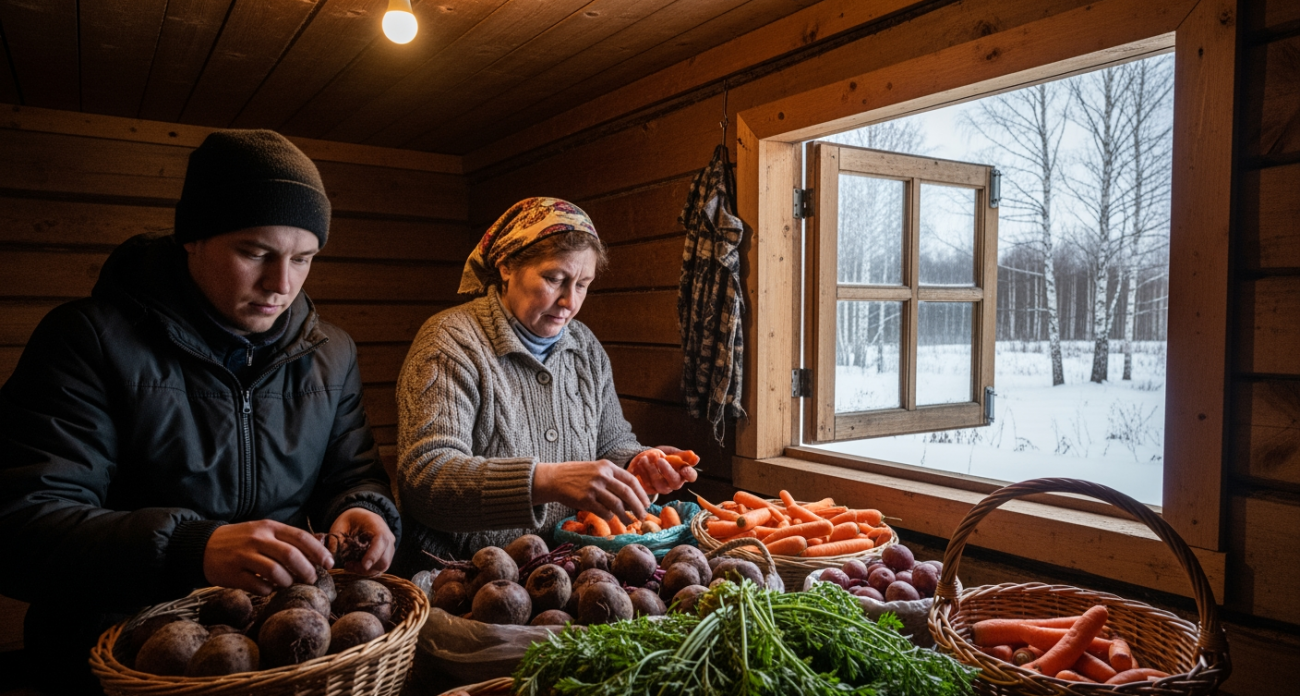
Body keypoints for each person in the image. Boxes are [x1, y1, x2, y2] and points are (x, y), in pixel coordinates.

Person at [0, 129, 400, 692]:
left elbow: (353, 473)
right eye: (255, 253)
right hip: (116, 660)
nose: (280, 284)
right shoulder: (87, 341)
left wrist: (366, 509)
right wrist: (193, 548)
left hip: (274, 652)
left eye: (304, 258)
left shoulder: (331, 354)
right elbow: (20, 522)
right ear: (192, 238)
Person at [393, 197, 696, 570]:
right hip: (459, 573)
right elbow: (425, 479)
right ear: (506, 266)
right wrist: (545, 480)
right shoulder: (450, 342)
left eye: (583, 285)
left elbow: (611, 441)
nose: (569, 301)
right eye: (554, 279)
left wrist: (636, 462)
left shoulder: (584, 347)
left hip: (567, 570)